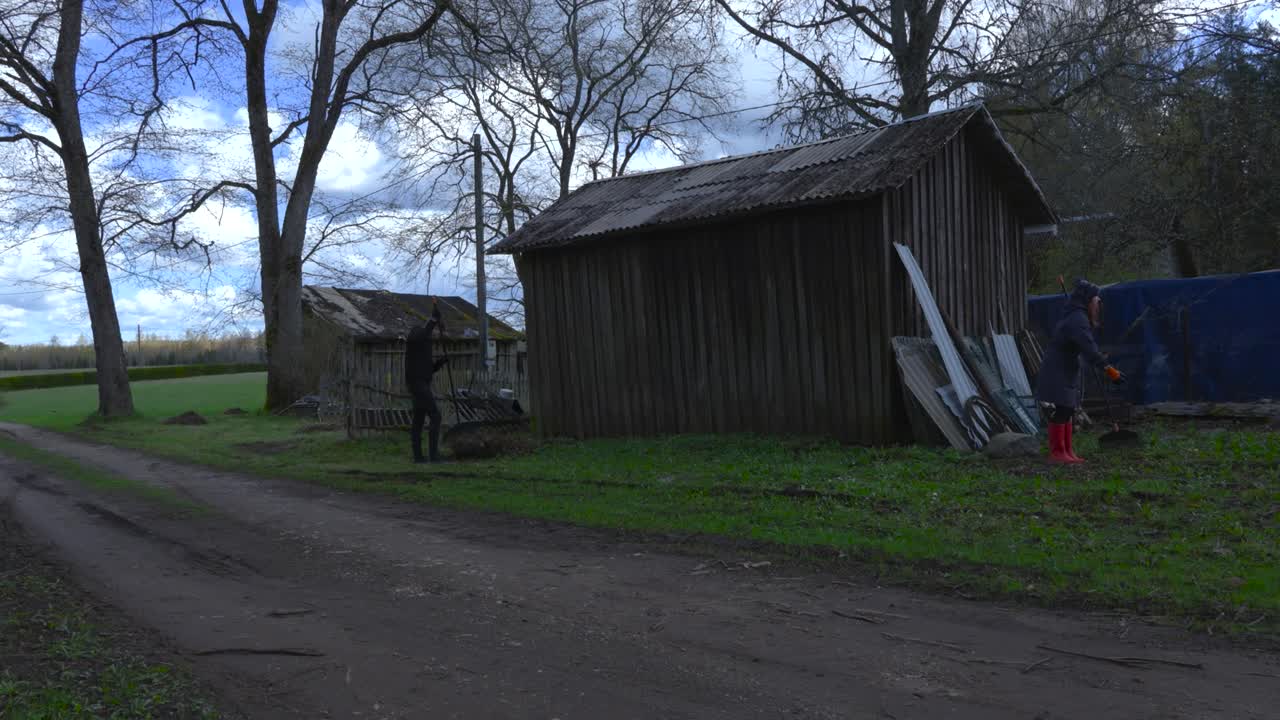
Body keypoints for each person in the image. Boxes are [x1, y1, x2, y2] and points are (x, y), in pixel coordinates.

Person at [1036, 279, 1126, 464]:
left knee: (1068, 408)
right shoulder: (1077, 319)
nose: (1098, 304)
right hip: (1058, 369)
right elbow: (1088, 347)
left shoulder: (1077, 316)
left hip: (1065, 367)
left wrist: (1099, 360)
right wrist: (1108, 369)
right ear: (1088, 300)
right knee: (1063, 408)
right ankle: (1057, 452)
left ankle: (1067, 450)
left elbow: (1086, 346)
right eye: (1096, 300)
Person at [405, 300, 449, 463]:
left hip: (421, 382)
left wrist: (440, 363)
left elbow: (427, 370)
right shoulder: (414, 336)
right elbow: (422, 334)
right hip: (416, 384)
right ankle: (433, 456)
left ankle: (418, 457)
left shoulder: (422, 351)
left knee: (419, 418)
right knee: (435, 416)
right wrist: (433, 320)